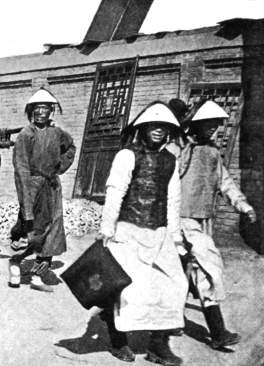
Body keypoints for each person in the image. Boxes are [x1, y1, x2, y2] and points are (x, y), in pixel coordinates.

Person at [97, 101, 188, 365]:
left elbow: (173, 200)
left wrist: (176, 237)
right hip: (128, 231)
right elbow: (115, 192)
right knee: (126, 290)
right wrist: (107, 229)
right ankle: (118, 342)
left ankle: (158, 347)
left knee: (174, 285)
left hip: (159, 234)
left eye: (164, 126)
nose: (159, 130)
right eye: (154, 125)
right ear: (143, 127)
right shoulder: (127, 155)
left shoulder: (171, 160)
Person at [174, 100, 256, 350]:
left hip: (203, 220)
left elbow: (225, 182)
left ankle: (175, 320)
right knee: (204, 271)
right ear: (195, 125)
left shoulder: (211, 153)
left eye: (215, 125)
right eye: (207, 125)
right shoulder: (180, 150)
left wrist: (243, 205)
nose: (212, 129)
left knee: (190, 271)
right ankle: (217, 332)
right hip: (180, 219)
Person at [8, 88, 76, 292]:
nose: (41, 112)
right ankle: (15, 262)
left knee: (53, 230)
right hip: (33, 185)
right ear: (31, 111)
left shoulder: (57, 132)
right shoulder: (25, 135)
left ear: (51, 111)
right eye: (37, 108)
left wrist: (59, 167)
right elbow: (20, 167)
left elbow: (70, 148)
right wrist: (26, 198)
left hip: (52, 186)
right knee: (33, 230)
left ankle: (37, 276)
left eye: (45, 108)